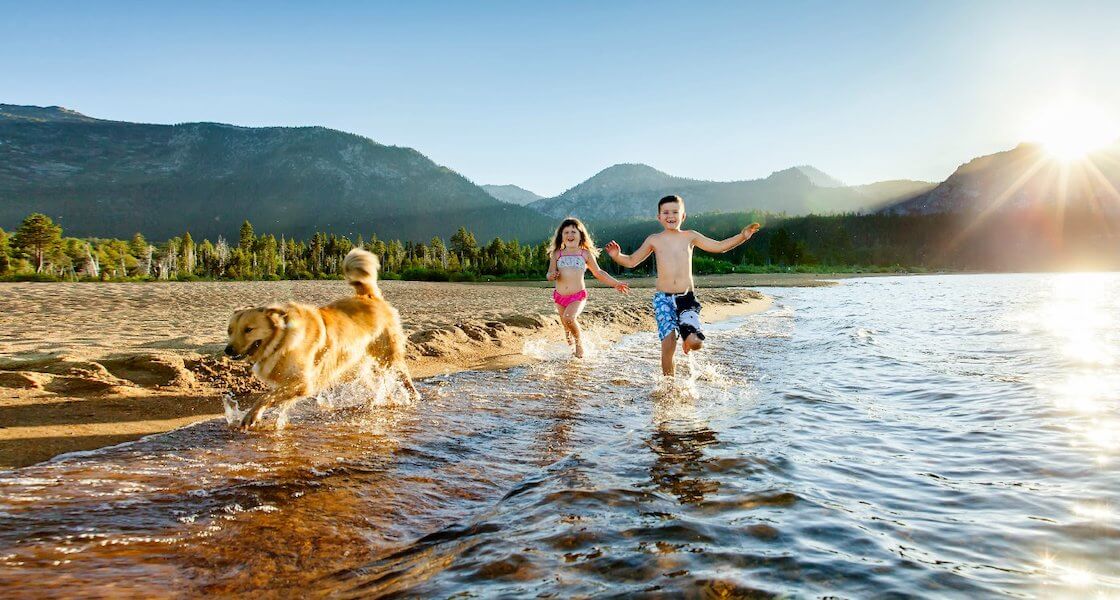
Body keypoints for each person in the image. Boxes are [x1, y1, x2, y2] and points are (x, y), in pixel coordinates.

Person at [605, 195, 760, 376]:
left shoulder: (690, 236)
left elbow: (719, 246)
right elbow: (631, 261)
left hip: (686, 299)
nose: (670, 215)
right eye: (666, 212)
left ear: (683, 216)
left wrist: (742, 236)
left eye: (675, 212)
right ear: (659, 217)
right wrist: (617, 256)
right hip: (663, 299)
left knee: (696, 343)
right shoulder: (654, 239)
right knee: (668, 343)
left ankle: (688, 340)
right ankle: (669, 386)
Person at [547, 217, 630, 357]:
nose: (570, 235)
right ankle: (570, 350)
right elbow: (549, 273)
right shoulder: (557, 254)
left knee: (569, 318)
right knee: (566, 328)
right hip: (559, 296)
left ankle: (580, 346)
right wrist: (551, 275)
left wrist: (616, 283)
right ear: (561, 236)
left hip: (577, 296)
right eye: (566, 232)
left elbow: (598, 272)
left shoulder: (584, 253)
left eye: (573, 232)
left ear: (581, 235)